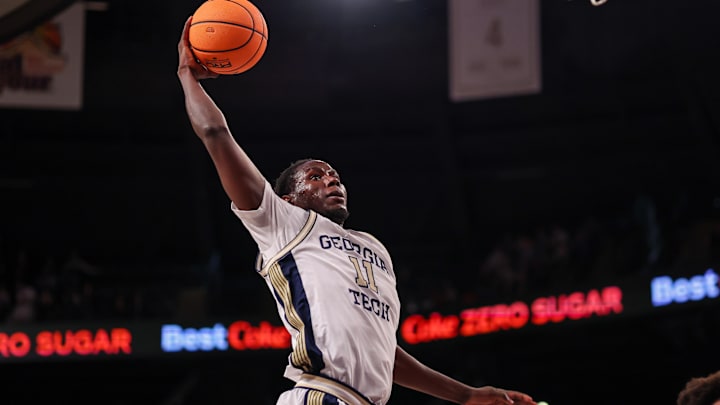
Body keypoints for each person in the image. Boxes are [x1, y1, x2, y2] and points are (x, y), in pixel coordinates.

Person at [177, 15, 537, 405]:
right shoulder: (284, 224)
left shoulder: (375, 249)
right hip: (320, 395)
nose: (332, 180)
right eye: (316, 176)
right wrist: (186, 75)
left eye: (334, 175)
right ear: (288, 200)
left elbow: (383, 356)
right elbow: (216, 134)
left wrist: (466, 396)